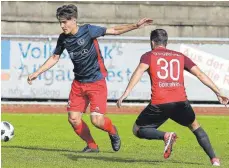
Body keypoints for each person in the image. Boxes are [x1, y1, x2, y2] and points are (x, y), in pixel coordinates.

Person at [27, 4, 152, 153]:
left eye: (64, 22)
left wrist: (135, 26)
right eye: (60, 22)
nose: (62, 26)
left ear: (73, 20)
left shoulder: (88, 30)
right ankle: (92, 145)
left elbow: (114, 30)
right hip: (78, 84)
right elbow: (55, 57)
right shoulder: (63, 38)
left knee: (96, 120)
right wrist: (37, 72)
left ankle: (112, 131)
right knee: (73, 119)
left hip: (96, 82)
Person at [117, 29, 228, 166]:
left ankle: (166, 135)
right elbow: (200, 74)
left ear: (152, 42)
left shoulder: (149, 56)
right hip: (181, 102)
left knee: (138, 129)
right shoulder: (180, 56)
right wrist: (218, 91)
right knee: (195, 126)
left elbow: (138, 72)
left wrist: (126, 93)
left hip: (160, 103)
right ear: (166, 42)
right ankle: (214, 160)